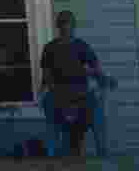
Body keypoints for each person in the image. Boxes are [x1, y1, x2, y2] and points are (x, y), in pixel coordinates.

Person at [40, 10, 106, 157]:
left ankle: (102, 154)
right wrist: (57, 94)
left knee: (97, 109)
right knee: (49, 104)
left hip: (81, 94)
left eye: (69, 24)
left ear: (74, 26)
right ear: (58, 26)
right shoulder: (49, 48)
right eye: (63, 24)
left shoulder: (82, 47)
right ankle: (53, 154)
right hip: (58, 94)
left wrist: (102, 80)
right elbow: (46, 77)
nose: (66, 28)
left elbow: (96, 70)